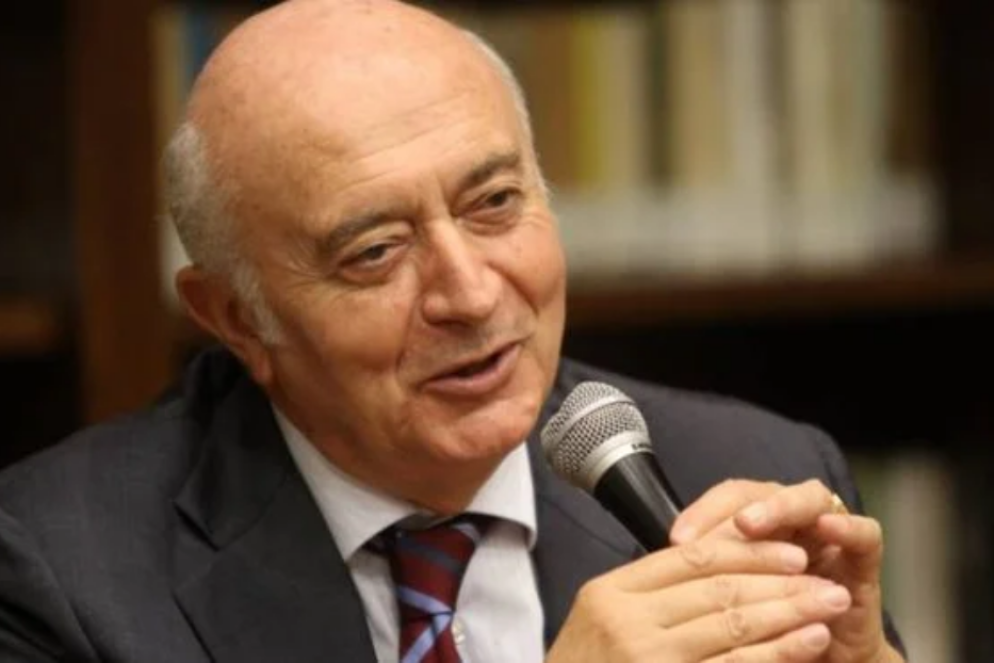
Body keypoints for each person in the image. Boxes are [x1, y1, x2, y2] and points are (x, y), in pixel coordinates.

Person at [0, 0, 906, 661]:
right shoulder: (59, 575)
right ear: (238, 317)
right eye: (375, 252)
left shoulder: (756, 471)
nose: (469, 294)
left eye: (495, 203)